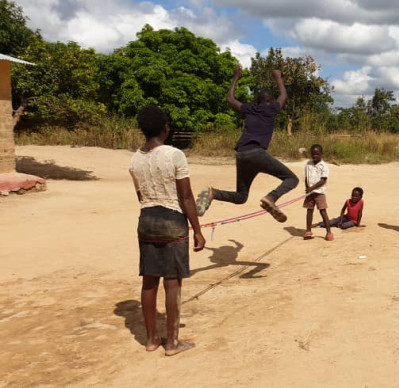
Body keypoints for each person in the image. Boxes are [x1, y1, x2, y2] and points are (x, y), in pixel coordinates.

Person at [129, 105, 205, 356]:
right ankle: (172, 343)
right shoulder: (175, 155)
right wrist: (197, 229)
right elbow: (185, 197)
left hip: (146, 220)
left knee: (149, 281)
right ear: (165, 128)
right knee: (172, 283)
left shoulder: (135, 158)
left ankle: (151, 340)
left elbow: (140, 194)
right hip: (172, 221)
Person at [195, 65, 299, 222]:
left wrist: (236, 76)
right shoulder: (272, 109)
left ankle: (213, 193)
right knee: (292, 179)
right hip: (257, 154)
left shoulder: (250, 108)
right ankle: (271, 198)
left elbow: (230, 99)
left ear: (257, 101)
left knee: (241, 196)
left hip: (242, 154)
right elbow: (283, 94)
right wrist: (278, 76)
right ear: (271, 101)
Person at [303, 144, 333, 241]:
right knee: (309, 210)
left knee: (323, 211)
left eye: (317, 154)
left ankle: (329, 232)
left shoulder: (324, 166)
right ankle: (308, 231)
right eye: (312, 154)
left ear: (321, 154)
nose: (314, 156)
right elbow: (306, 177)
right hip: (310, 193)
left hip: (319, 192)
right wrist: (307, 188)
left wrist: (312, 188)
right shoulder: (308, 164)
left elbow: (322, 181)